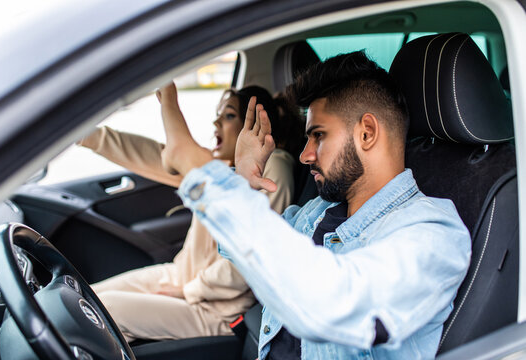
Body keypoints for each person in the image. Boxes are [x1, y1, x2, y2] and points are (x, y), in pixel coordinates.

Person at [156, 51, 471, 359]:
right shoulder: (317, 211)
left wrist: (194, 164)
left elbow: (329, 305)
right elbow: (254, 254)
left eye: (318, 135)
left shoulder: (432, 233)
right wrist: (243, 181)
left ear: (367, 133)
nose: (305, 155)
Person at [79, 85, 304, 342]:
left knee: (97, 312)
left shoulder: (274, 168)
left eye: (229, 115)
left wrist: (189, 290)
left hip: (217, 309)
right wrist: (88, 136)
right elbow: (155, 156)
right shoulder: (223, 166)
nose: (216, 121)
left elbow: (246, 264)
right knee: (81, 296)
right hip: (181, 276)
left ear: (253, 127)